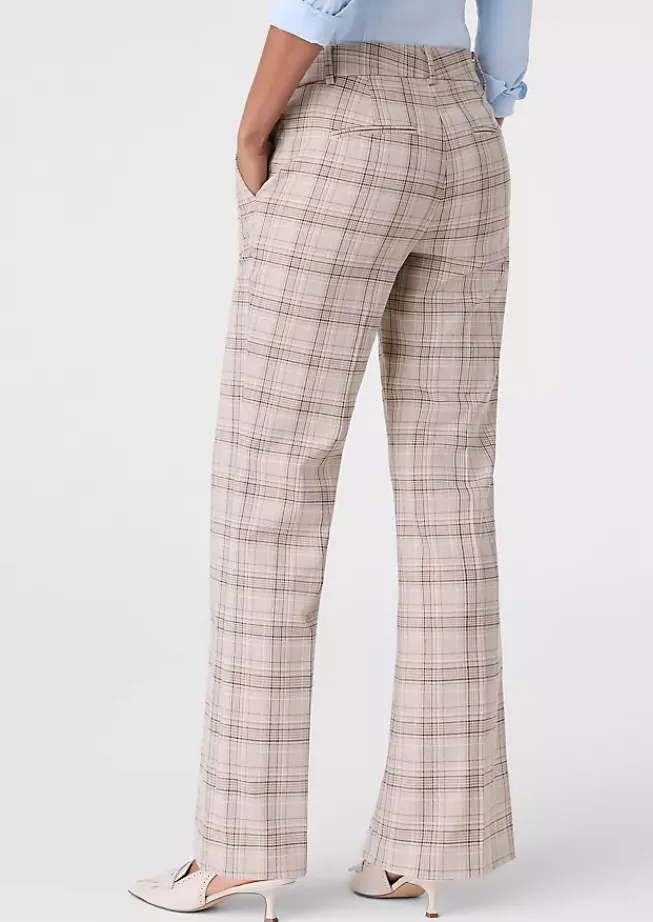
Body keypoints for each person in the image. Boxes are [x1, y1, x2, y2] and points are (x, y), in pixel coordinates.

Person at [128, 1, 533, 918]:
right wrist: (487, 100)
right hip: (468, 138)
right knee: (450, 485)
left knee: (270, 485)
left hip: (345, 123)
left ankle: (240, 847)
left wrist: (254, 125)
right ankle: (428, 845)